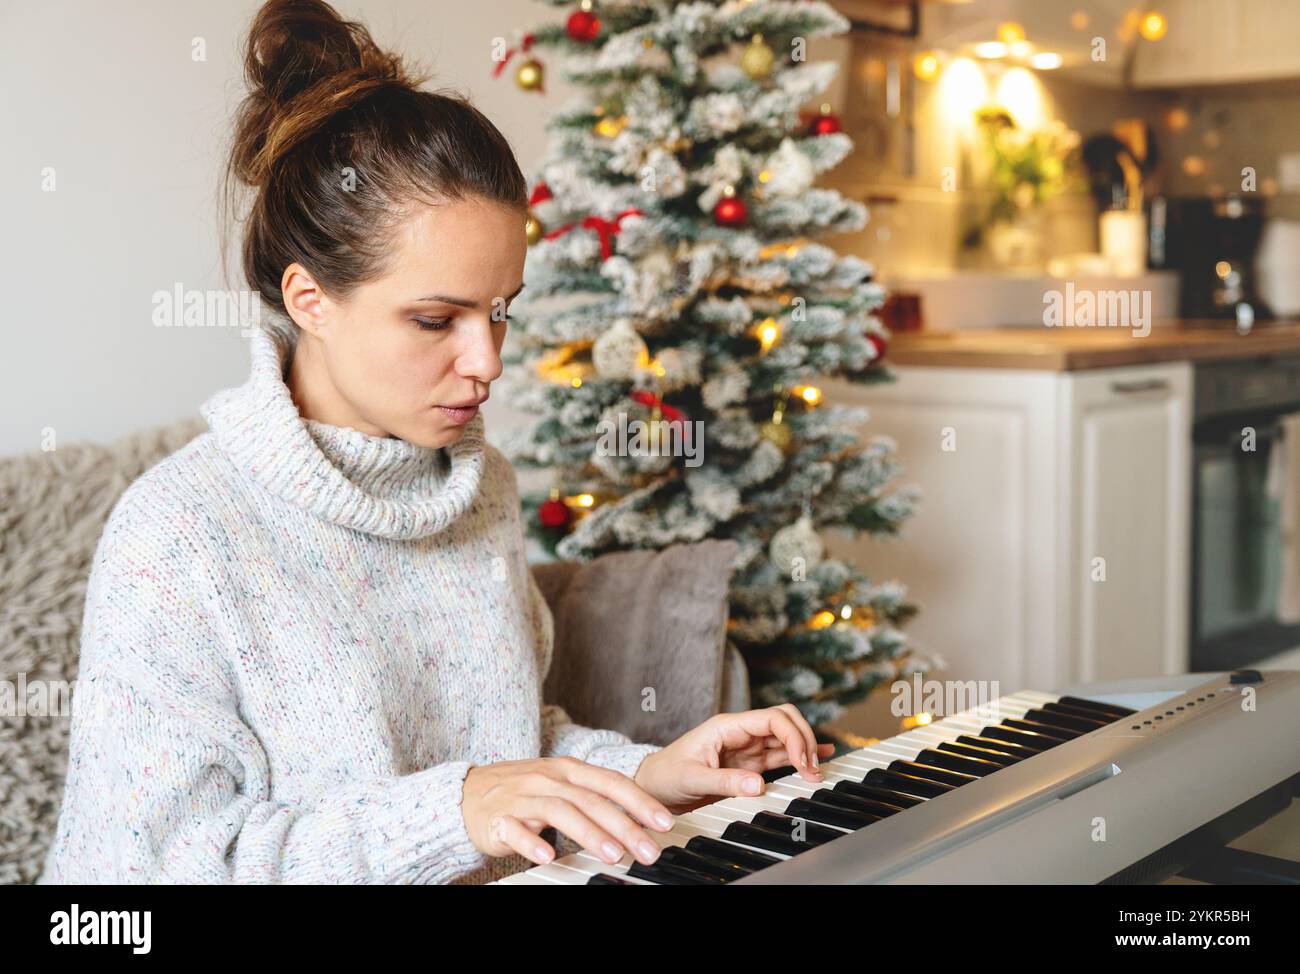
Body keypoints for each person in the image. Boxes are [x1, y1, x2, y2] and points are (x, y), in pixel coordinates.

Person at [39, 0, 831, 885]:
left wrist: (645, 775)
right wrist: (452, 812)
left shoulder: (479, 485)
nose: (487, 361)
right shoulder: (177, 538)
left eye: (499, 311)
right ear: (309, 301)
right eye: (434, 318)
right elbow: (135, 886)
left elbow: (511, 745)